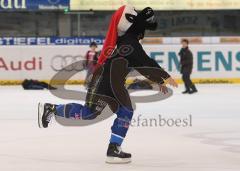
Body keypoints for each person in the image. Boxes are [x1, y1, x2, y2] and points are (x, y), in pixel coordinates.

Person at [38, 5, 178, 164]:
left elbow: (141, 62)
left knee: (126, 110)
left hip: (114, 84)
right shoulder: (128, 43)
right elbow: (143, 61)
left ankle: (113, 148)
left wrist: (159, 78)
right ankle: (53, 109)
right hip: (103, 82)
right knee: (89, 113)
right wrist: (163, 77)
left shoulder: (127, 41)